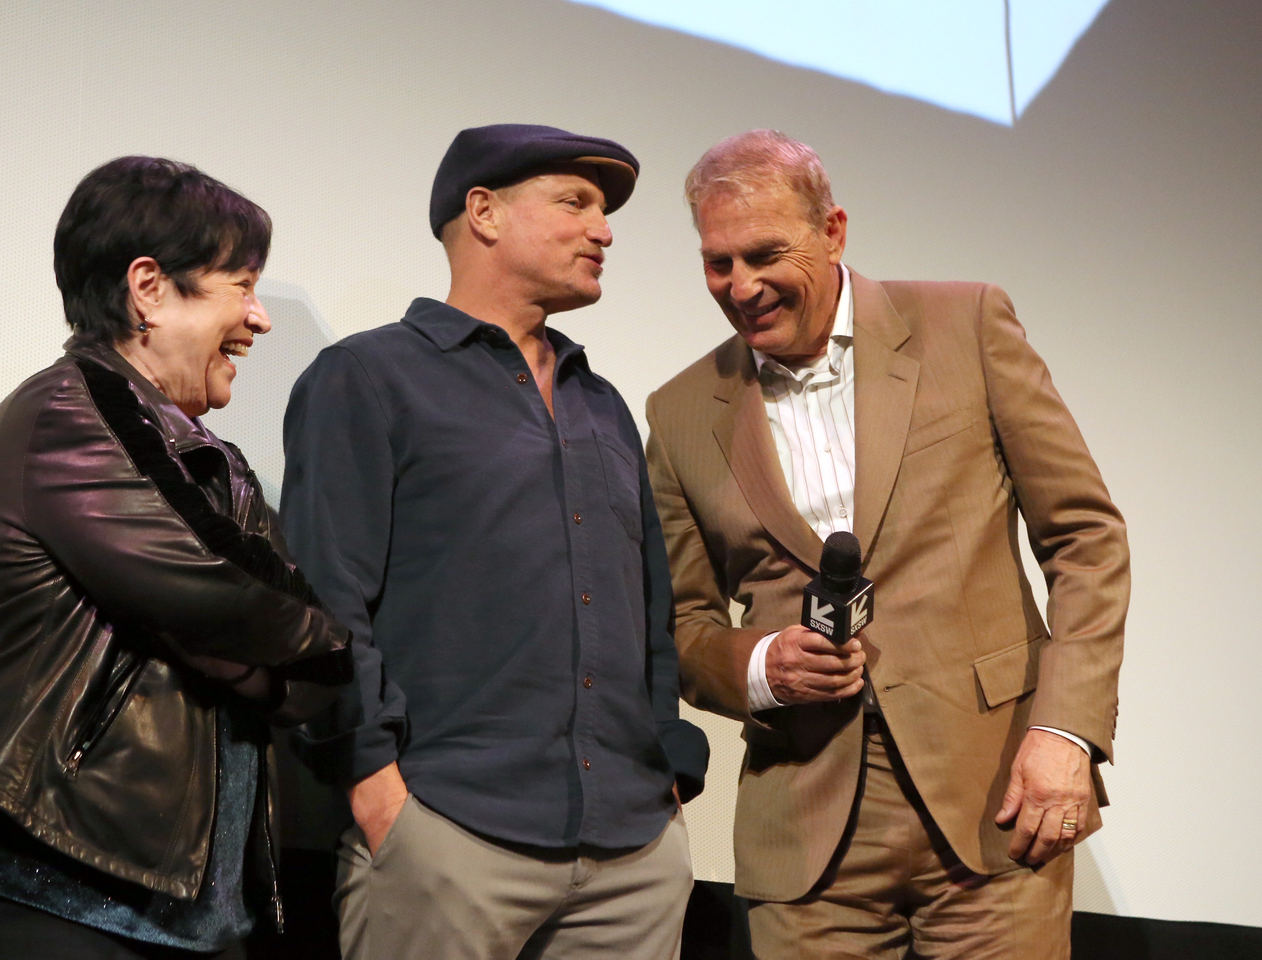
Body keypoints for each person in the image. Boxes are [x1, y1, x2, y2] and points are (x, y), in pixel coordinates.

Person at [644, 130, 1129, 959]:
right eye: (718, 263)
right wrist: (763, 667)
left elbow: (1086, 538)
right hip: (807, 825)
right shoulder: (681, 410)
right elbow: (679, 628)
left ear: (833, 230)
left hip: (993, 799)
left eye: (765, 253)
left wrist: (1065, 734)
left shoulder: (964, 325)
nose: (743, 285)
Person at [0, 156, 353, 959]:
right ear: (148, 288)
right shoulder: (68, 409)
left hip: (183, 910)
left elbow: (302, 651)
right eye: (240, 285)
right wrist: (275, 651)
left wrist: (256, 660)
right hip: (40, 882)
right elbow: (220, 593)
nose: (259, 317)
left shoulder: (219, 464)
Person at [280, 124, 710, 960]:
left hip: (632, 853)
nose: (605, 229)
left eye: (604, 210)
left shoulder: (605, 406)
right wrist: (377, 790)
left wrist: (669, 771)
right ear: (483, 212)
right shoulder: (368, 377)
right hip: (450, 836)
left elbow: (650, 612)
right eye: (574, 202)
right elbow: (325, 601)